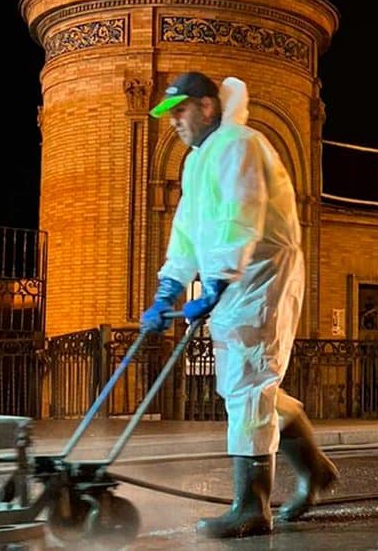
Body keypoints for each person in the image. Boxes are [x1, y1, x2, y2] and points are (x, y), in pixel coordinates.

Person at [140, 72, 338, 537]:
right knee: (243, 386)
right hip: (236, 276)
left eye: (180, 111)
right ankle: (315, 470)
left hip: (263, 273)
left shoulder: (239, 144)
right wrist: (169, 286)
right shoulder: (197, 161)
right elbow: (188, 231)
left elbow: (240, 214)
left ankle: (251, 507)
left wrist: (215, 284)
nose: (174, 123)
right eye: (169, 116)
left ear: (207, 106)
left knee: (249, 380)